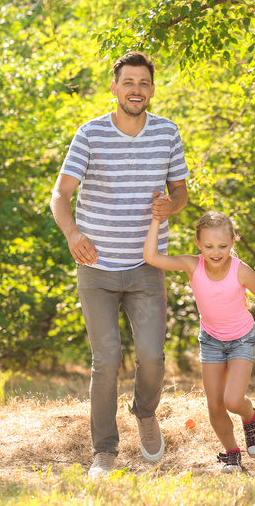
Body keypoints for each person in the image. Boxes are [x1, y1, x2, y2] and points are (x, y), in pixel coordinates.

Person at [49, 51, 189, 478]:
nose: (136, 90)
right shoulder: (90, 134)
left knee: (152, 357)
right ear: (114, 87)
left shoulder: (167, 132)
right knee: (105, 359)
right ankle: (104, 452)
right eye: (128, 82)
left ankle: (145, 412)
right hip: (97, 267)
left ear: (152, 88)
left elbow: (180, 193)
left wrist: (171, 205)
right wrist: (74, 234)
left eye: (143, 83)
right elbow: (60, 195)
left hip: (147, 265)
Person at [143, 210, 255, 473]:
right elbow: (151, 257)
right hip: (211, 341)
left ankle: (251, 418)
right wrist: (157, 218)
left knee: (232, 400)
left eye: (223, 246)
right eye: (208, 246)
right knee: (215, 404)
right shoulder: (192, 265)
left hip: (242, 338)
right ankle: (231, 453)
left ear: (233, 242)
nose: (216, 252)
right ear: (198, 244)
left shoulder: (242, 271)